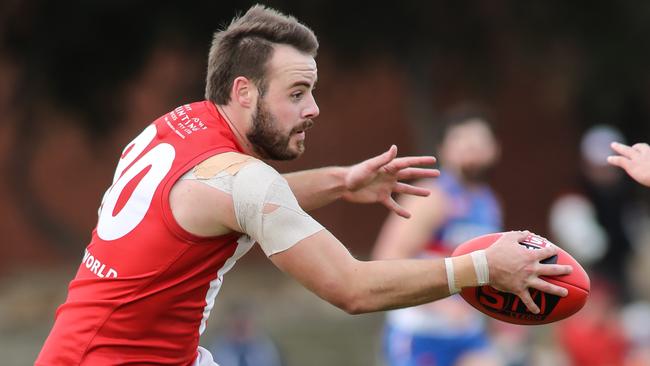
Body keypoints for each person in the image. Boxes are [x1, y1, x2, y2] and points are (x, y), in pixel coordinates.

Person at [35, 5, 571, 366]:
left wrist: (342, 181)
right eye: (296, 93)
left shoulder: (178, 127)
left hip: (99, 348)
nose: (313, 109)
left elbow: (230, 200)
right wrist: (481, 269)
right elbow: (353, 289)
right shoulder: (243, 180)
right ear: (244, 91)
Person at [372, 110, 515, 366]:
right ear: (444, 148)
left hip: (468, 334)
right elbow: (386, 259)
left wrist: (504, 322)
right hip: (421, 333)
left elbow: (492, 270)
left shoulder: (489, 203)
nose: (472, 149)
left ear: (495, 148)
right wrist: (440, 305)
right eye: (463, 141)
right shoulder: (430, 197)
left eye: (479, 142)